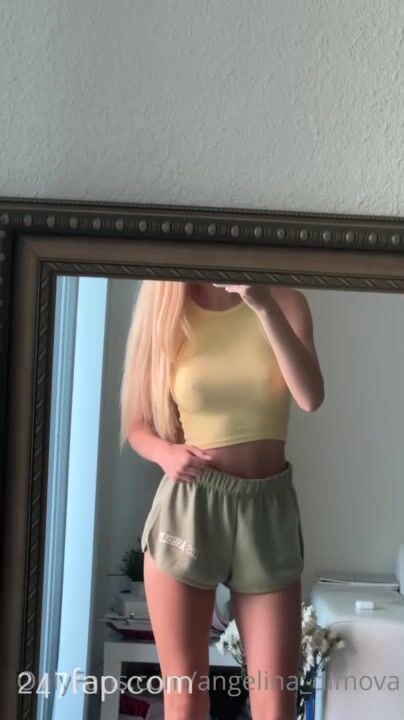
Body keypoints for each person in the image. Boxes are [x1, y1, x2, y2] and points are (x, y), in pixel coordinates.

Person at [119, 280, 324, 720]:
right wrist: (166, 453)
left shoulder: (286, 302)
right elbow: (136, 424)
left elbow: (310, 397)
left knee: (276, 704)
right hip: (191, 508)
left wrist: (262, 305)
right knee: (186, 701)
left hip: (267, 511)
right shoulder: (166, 309)